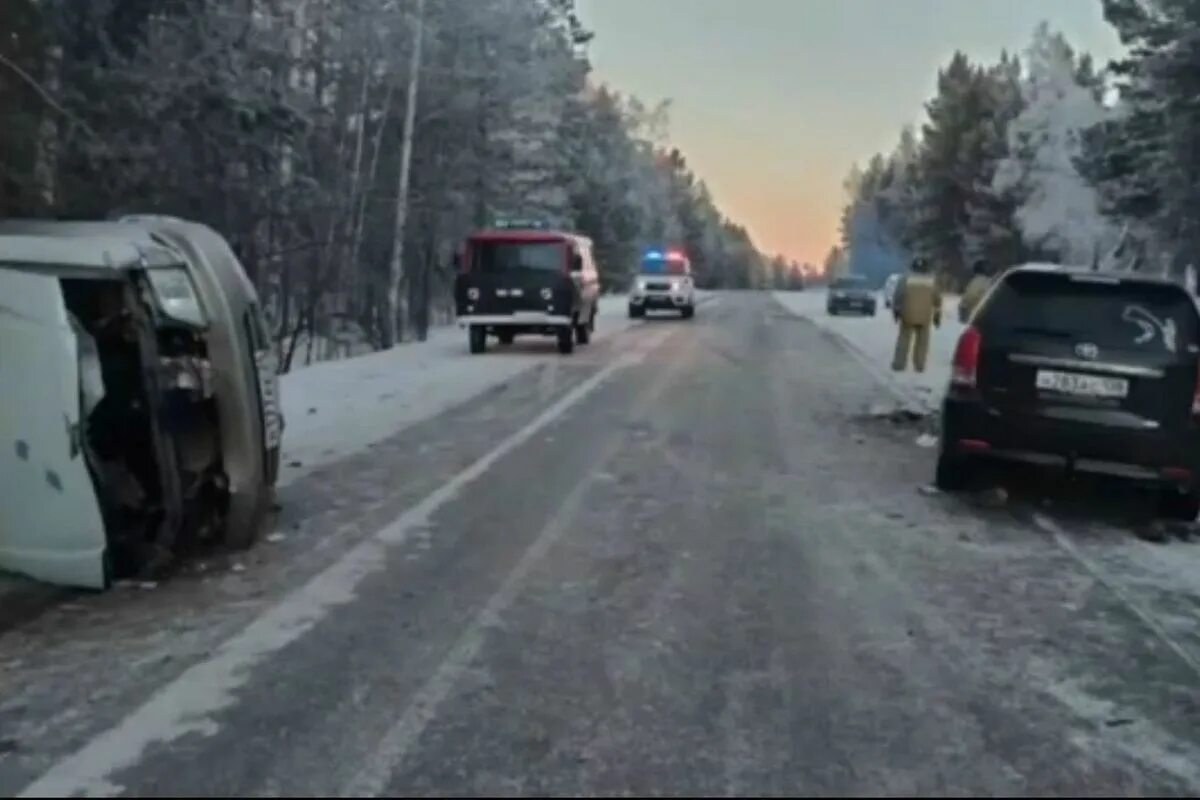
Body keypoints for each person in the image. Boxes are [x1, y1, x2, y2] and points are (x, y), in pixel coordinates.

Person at [892, 256, 942, 373]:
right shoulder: (932, 280)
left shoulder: (905, 278)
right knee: (922, 341)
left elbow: (898, 295)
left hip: (908, 314)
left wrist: (897, 310)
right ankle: (919, 365)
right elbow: (937, 299)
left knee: (904, 339)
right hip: (925, 316)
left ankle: (899, 364)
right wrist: (937, 315)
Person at [959, 258, 993, 323]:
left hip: (976, 315)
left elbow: (968, 299)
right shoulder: (985, 281)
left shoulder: (977, 281)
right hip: (980, 316)